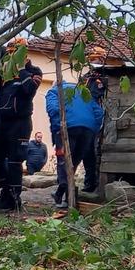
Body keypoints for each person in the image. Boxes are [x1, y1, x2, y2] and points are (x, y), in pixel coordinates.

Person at [0, 38, 43, 211]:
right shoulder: (4, 72)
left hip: (20, 122)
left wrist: (20, 69)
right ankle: (7, 191)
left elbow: (29, 91)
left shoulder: (34, 71)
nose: (12, 55)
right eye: (10, 52)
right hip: (2, 122)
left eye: (15, 52)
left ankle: (13, 199)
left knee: (14, 162)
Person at [45, 78, 105, 207]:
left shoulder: (54, 91)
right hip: (88, 130)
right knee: (73, 164)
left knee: (64, 161)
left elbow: (54, 110)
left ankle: (63, 187)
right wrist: (93, 130)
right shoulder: (84, 91)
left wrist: (58, 129)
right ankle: (67, 198)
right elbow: (99, 112)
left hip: (68, 128)